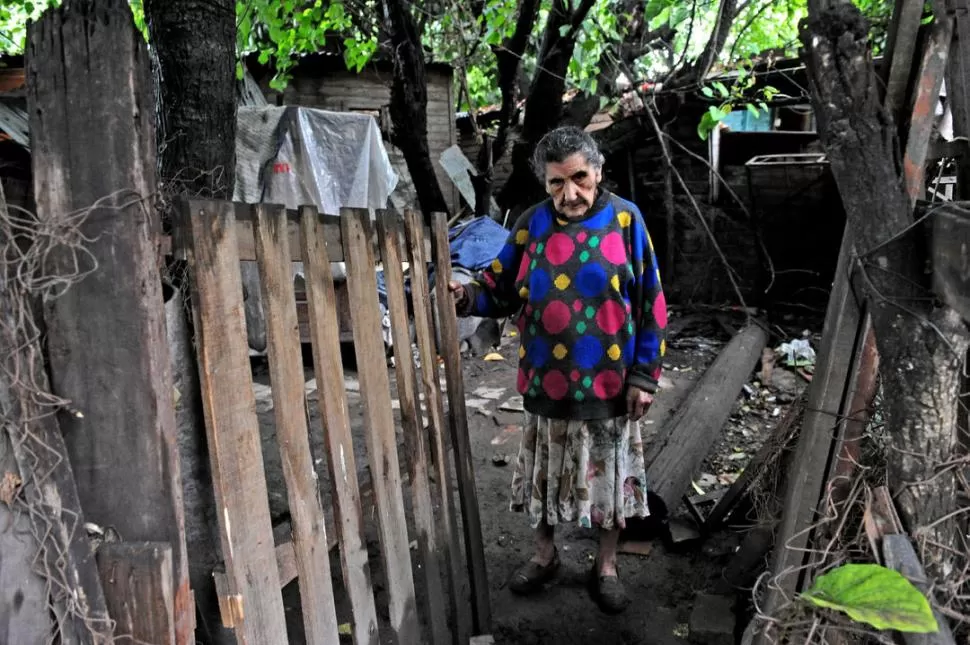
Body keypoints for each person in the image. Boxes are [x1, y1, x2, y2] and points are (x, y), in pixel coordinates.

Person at [450, 125, 667, 614]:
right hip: (547, 379)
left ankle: (606, 564)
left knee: (613, 478)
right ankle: (545, 555)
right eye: (556, 183)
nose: (570, 193)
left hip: (611, 383)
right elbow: (499, 288)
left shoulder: (627, 221)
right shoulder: (531, 224)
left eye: (580, 179)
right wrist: (465, 294)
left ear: (598, 172)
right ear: (545, 183)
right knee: (545, 477)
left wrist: (645, 375)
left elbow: (651, 300)